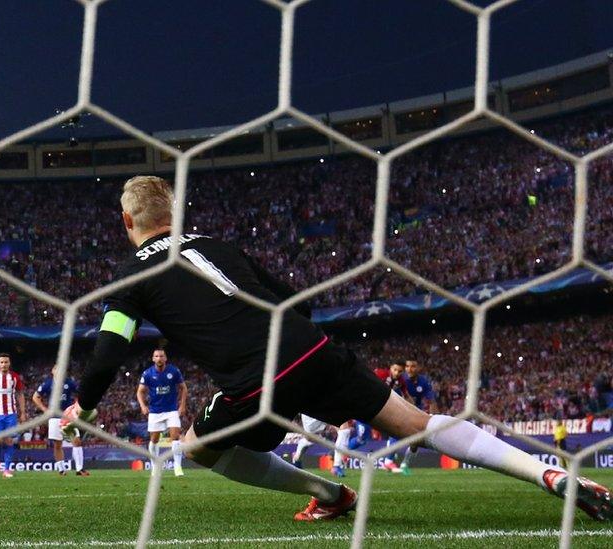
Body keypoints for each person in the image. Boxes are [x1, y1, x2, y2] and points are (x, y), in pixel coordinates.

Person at [66, 175, 611, 522]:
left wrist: (83, 409)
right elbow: (294, 301)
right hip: (309, 348)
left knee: (196, 450)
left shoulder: (130, 276)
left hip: (252, 380)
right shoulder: (217, 245)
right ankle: (550, 474)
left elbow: (111, 349)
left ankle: (330, 494)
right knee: (416, 422)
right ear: (173, 211)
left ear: (127, 221)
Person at [136, 348, 187, 476]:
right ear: (153, 359)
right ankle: (155, 466)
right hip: (155, 411)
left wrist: (182, 405)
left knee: (175, 436)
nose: (159, 358)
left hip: (171, 409)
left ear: (165, 358)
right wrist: (143, 406)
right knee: (154, 439)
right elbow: (140, 391)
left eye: (161, 356)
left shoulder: (174, 371)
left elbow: (183, 388)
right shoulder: (148, 373)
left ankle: (177, 467)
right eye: (156, 356)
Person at [32, 366, 89, 476]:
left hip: (68, 416)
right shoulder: (47, 384)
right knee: (58, 444)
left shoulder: (69, 382)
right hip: (54, 417)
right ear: (52, 371)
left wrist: (77, 407)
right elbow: (35, 397)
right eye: (57, 369)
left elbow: (81, 394)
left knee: (76, 441)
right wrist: (44, 409)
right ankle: (61, 470)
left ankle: (79, 469)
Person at [399, 359, 434, 474]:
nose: (410, 369)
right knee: (394, 435)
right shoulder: (400, 379)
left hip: (415, 411)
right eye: (407, 366)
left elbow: (431, 400)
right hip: (397, 409)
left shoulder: (423, 381)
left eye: (413, 366)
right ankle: (389, 460)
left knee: (415, 442)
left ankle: (404, 464)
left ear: (418, 368)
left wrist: (432, 416)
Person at [375, 363, 407, 472]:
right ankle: (338, 455)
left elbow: (406, 395)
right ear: (390, 369)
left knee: (398, 430)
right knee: (361, 438)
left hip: (383, 408)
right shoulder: (380, 373)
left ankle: (388, 461)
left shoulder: (401, 381)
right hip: (368, 406)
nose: (397, 373)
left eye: (400, 371)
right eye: (395, 370)